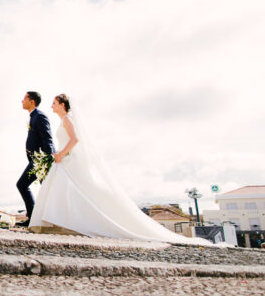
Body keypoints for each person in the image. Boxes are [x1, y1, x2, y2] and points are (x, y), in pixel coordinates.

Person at [28, 94, 207, 244]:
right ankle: (62, 222)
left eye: (54, 103)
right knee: (66, 191)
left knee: (73, 191)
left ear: (61, 105)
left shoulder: (67, 119)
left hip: (68, 160)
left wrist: (61, 154)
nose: (51, 106)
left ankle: (70, 222)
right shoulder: (63, 120)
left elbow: (75, 140)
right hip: (64, 160)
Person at [16, 91, 55, 226]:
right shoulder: (33, 117)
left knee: (22, 184)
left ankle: (35, 218)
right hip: (36, 160)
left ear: (32, 101)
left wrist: (47, 162)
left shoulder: (40, 116)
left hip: (41, 160)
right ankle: (35, 218)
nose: (22, 101)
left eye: (24, 98)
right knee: (46, 189)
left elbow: (47, 138)